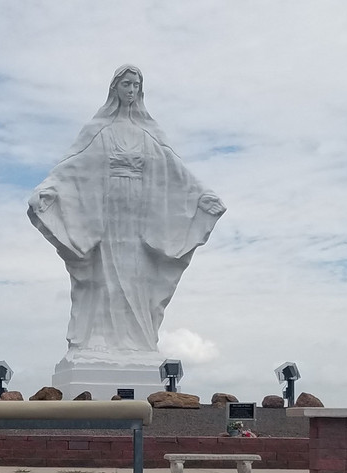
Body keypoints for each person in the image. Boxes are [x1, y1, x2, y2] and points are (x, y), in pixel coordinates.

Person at [28, 64, 226, 358]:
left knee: (137, 275)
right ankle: (98, 336)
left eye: (136, 85)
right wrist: (49, 189)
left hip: (139, 214)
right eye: (126, 84)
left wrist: (202, 196)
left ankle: (136, 340)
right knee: (104, 274)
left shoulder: (149, 132)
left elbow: (176, 170)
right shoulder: (98, 130)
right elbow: (73, 166)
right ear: (115, 88)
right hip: (108, 212)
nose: (131, 90)